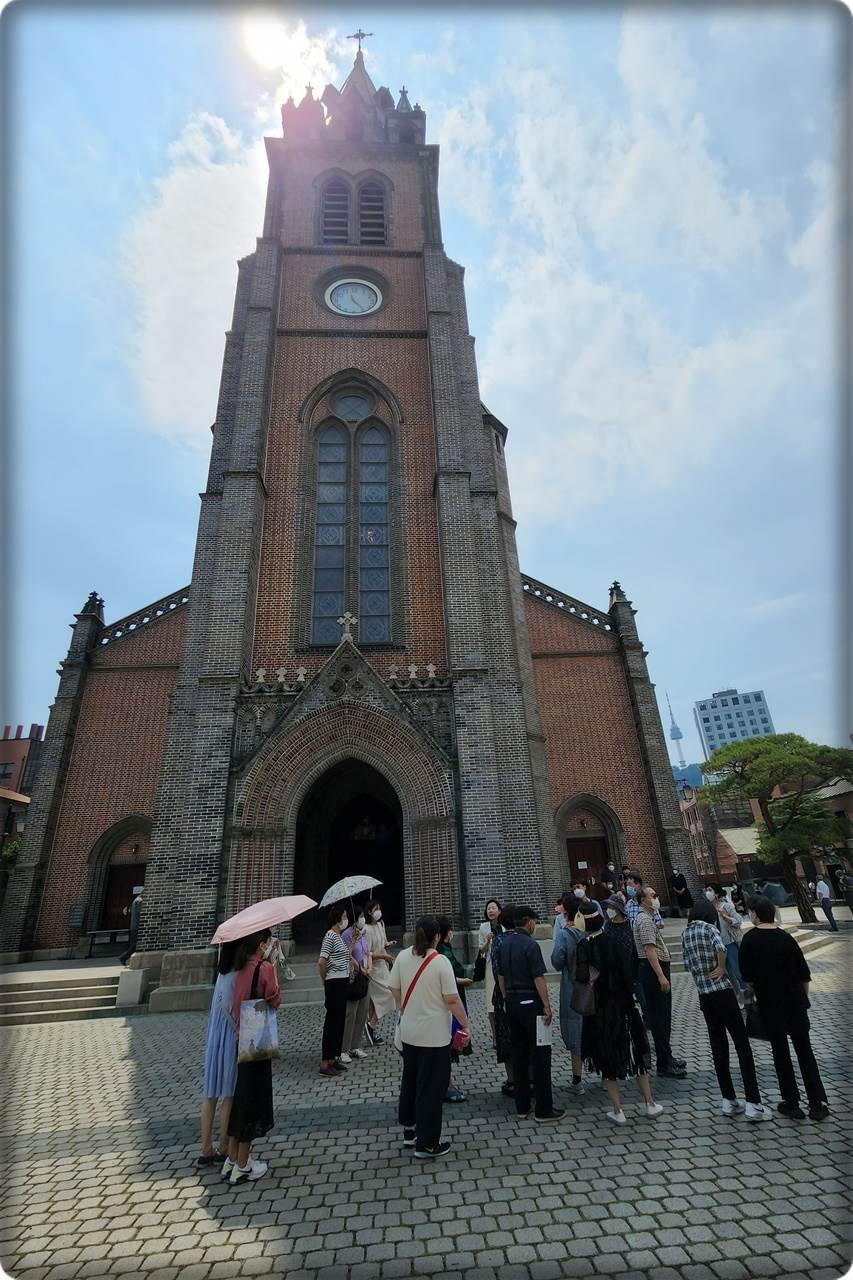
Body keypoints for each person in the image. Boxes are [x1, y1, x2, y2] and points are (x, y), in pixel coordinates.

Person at [739, 895, 830, 1120]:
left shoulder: (749, 940)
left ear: (755, 914)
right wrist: (803, 999)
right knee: (805, 1051)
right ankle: (817, 1104)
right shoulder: (787, 938)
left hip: (770, 1003)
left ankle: (792, 1102)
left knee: (780, 1052)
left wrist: (750, 1001)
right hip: (795, 1001)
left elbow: (747, 978)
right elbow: (804, 974)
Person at [681, 898, 772, 1121]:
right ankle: (753, 1104)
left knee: (718, 1047)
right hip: (722, 992)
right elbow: (721, 948)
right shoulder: (709, 928)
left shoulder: (685, 933)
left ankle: (728, 1100)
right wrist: (721, 967)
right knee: (742, 1045)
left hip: (704, 995)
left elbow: (687, 964)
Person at [390, 914, 470, 1159]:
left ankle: (410, 1131)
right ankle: (428, 1144)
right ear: (437, 936)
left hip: (409, 1032)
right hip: (434, 1036)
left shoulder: (403, 956)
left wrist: (407, 1005)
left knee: (411, 1080)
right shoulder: (440, 961)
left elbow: (393, 987)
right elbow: (452, 999)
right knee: (431, 1088)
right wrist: (466, 1025)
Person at [574, 901, 662, 1125]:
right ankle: (650, 1103)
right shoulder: (613, 940)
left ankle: (617, 1110)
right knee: (635, 1051)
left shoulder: (583, 946)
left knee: (606, 1055)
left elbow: (581, 976)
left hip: (599, 1008)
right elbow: (628, 971)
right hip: (623, 1004)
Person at [495, 905, 564, 1123]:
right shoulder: (531, 945)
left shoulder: (504, 944)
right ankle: (544, 1108)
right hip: (531, 1003)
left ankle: (522, 1106)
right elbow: (538, 978)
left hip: (512, 1003)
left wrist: (506, 998)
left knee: (519, 1056)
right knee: (540, 1057)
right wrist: (547, 1006)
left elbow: (501, 975)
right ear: (529, 922)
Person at [222, 929, 281, 1185]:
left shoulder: (240, 969)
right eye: (268, 942)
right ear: (261, 944)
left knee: (241, 1096)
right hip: (258, 1040)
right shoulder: (264, 968)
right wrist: (274, 969)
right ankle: (243, 1165)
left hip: (242, 1038)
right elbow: (275, 999)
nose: (269, 945)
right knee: (253, 1100)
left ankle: (231, 1158)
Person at [633, 886, 687, 1078]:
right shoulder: (644, 920)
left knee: (663, 1017)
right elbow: (649, 949)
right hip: (653, 971)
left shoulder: (648, 918)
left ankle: (667, 1057)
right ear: (642, 900)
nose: (656, 898)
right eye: (653, 896)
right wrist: (660, 975)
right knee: (660, 1018)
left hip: (654, 970)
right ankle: (664, 1063)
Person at [198, 940, 239, 1166]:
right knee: (228, 1093)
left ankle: (205, 1149)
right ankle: (223, 1146)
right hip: (229, 1037)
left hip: (214, 1038)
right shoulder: (236, 976)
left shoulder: (221, 975)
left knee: (210, 1094)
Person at [550, 893, 586, 1094]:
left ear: (565, 914)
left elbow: (556, 961)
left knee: (575, 1031)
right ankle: (607, 1076)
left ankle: (577, 1080)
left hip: (573, 988)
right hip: (594, 987)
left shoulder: (565, 934)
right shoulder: (590, 930)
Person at [436, 914, 473, 1102]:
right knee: (449, 1044)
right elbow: (452, 974)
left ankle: (444, 1083)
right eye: (450, 929)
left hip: (442, 1005)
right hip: (449, 1004)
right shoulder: (443, 952)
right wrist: (462, 980)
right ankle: (447, 1086)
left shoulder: (438, 950)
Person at [318, 904, 353, 1077]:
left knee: (339, 1021)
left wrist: (352, 943)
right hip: (334, 982)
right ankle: (325, 1062)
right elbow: (321, 961)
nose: (346, 919)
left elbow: (345, 957)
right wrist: (324, 979)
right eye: (344, 916)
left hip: (342, 981)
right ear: (338, 919)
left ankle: (334, 1058)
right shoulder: (330, 936)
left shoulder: (339, 937)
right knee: (332, 1022)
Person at [489, 903, 516, 1096]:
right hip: (523, 995)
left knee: (506, 1038)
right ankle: (530, 1080)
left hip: (503, 995)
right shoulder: (525, 939)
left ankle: (512, 1081)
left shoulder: (498, 941)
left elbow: (497, 970)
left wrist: (504, 995)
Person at [705, 884, 747, 1001]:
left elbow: (738, 920)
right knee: (727, 975)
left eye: (710, 890)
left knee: (738, 971)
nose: (707, 893)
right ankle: (737, 998)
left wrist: (725, 916)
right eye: (706, 890)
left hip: (730, 943)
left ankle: (747, 998)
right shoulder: (707, 910)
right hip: (718, 948)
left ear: (717, 893)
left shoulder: (726, 906)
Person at [363, 900, 396, 1045]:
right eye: (376, 909)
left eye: (379, 908)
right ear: (369, 912)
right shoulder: (366, 930)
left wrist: (388, 944)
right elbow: (368, 953)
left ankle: (371, 1029)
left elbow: (383, 943)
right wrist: (383, 956)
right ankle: (371, 1025)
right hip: (373, 969)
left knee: (374, 1002)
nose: (379, 911)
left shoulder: (380, 924)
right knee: (389, 995)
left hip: (383, 968)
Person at [340, 915, 372, 1063]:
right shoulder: (346, 934)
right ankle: (344, 1049)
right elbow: (347, 956)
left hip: (364, 977)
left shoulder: (363, 933)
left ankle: (355, 1046)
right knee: (350, 1014)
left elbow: (368, 952)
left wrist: (369, 968)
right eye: (360, 917)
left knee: (362, 1012)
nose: (362, 919)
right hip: (353, 977)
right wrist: (360, 968)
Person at [478, 899, 504, 1049]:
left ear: (499, 911)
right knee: (491, 1004)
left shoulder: (504, 926)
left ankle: (506, 1033)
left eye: (494, 908)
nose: (491, 911)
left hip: (503, 966)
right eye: (488, 908)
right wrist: (487, 941)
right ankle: (495, 1036)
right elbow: (481, 950)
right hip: (490, 967)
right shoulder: (483, 927)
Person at [119, 887, 143, 965]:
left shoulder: (136, 900)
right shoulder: (139, 901)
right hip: (137, 926)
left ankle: (126, 957)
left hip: (134, 926)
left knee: (134, 943)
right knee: (135, 944)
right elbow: (141, 913)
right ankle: (123, 957)